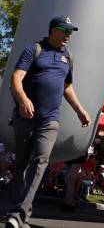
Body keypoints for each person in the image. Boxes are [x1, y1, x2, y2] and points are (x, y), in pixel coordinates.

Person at [6, 15, 90, 228]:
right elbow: (16, 78)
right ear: (53, 29)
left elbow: (67, 86)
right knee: (21, 166)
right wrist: (23, 99)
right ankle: (20, 215)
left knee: (40, 162)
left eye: (71, 32)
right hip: (25, 118)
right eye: (65, 30)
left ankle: (16, 215)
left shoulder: (68, 57)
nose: (68, 35)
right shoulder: (34, 49)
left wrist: (80, 110)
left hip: (50, 120)